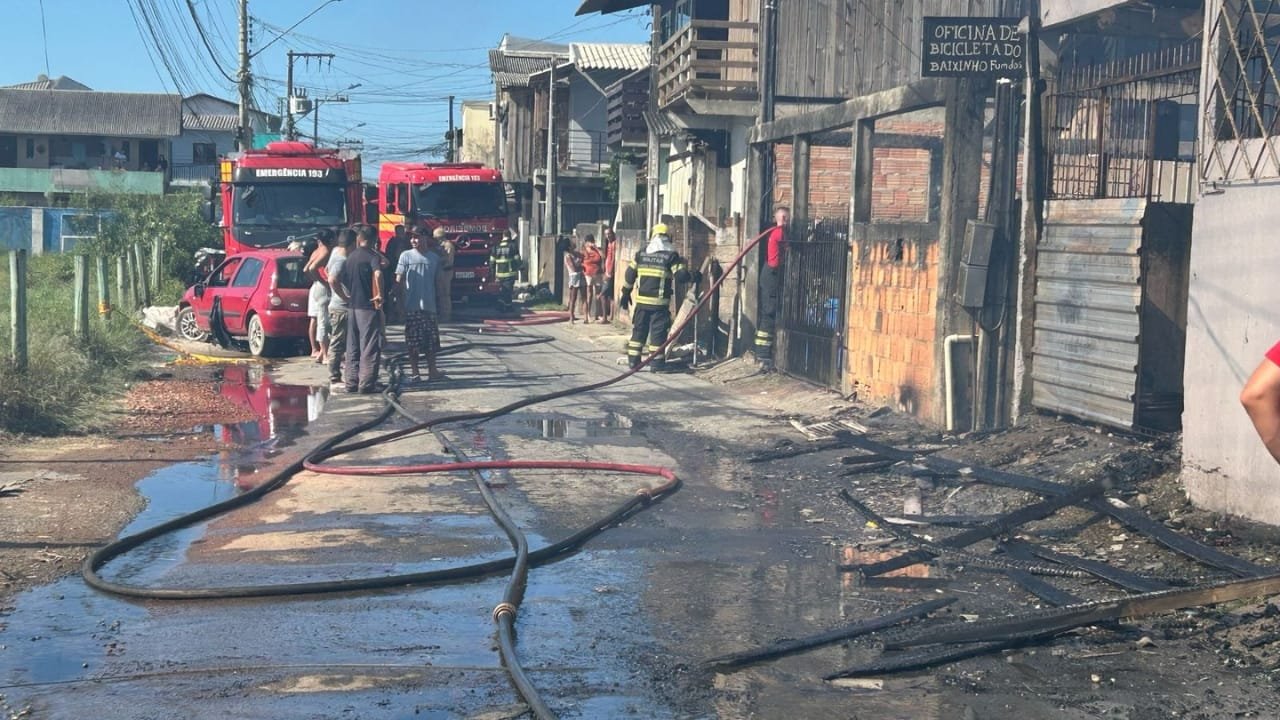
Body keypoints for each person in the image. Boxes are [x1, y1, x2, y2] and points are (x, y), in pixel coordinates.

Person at [619, 223, 694, 371]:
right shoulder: (670, 256)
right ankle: (657, 364)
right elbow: (681, 277)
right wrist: (693, 276)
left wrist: (625, 293)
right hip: (659, 305)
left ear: (652, 236)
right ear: (668, 237)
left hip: (641, 303)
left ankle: (633, 362)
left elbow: (630, 274)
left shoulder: (641, 254)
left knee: (639, 332)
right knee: (657, 334)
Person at [334, 224, 385, 394]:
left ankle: (351, 382)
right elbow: (378, 273)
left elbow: (337, 278)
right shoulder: (372, 256)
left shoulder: (350, 257)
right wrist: (379, 294)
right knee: (369, 345)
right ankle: (366, 384)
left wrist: (345, 296)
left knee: (352, 346)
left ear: (359, 238)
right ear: (374, 240)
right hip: (368, 307)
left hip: (352, 306)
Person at [396, 230, 445, 383]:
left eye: (416, 237)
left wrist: (442, 304)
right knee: (413, 342)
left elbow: (439, 282)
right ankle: (415, 372)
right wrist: (399, 304)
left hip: (430, 307)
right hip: (411, 307)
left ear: (425, 238)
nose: (413, 240)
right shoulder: (405, 256)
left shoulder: (434, 258)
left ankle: (432, 371)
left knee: (431, 341)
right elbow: (399, 280)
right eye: (411, 238)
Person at [755, 205, 790, 370]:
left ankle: (764, 354)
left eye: (787, 218)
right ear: (780, 218)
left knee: (768, 313)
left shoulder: (776, 232)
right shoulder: (779, 233)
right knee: (769, 313)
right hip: (771, 274)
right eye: (785, 218)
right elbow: (788, 250)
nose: (787, 221)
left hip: (769, 274)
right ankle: (763, 355)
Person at [325, 227, 354, 385]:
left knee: (341, 340)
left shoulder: (335, 251)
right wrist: (344, 296)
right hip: (341, 307)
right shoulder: (341, 259)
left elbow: (326, 270)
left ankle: (339, 372)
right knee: (338, 341)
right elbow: (332, 279)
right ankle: (334, 374)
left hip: (337, 305)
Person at [304, 229, 334, 363]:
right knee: (324, 322)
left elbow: (306, 269)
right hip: (323, 288)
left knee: (320, 319)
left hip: (317, 287)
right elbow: (311, 269)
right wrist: (323, 282)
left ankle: (321, 353)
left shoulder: (317, 251)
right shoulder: (326, 251)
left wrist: (316, 281)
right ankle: (325, 354)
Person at [490, 229, 522, 313]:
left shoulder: (496, 247)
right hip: (509, 274)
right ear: (509, 236)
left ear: (503, 236)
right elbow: (517, 259)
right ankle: (504, 306)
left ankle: (506, 306)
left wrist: (492, 275)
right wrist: (521, 267)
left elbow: (492, 262)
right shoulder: (513, 246)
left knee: (504, 290)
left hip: (499, 275)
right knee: (507, 291)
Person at [384, 225, 409, 324]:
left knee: (403, 295)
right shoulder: (393, 242)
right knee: (394, 295)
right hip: (395, 271)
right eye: (399, 231)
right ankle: (394, 316)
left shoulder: (407, 242)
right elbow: (389, 256)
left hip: (405, 272)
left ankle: (402, 316)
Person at [580, 233, 604, 324]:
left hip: (597, 273)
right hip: (588, 273)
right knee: (589, 293)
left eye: (591, 241)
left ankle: (597, 314)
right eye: (588, 242)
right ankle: (588, 314)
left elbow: (603, 256)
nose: (589, 243)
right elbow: (580, 261)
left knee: (598, 293)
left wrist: (596, 248)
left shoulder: (596, 250)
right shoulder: (584, 250)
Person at [434, 228, 456, 322]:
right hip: (440, 271)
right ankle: (442, 313)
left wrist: (437, 259)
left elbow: (448, 259)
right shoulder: (439, 246)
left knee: (444, 294)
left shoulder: (448, 245)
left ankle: (446, 315)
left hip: (445, 271)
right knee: (440, 294)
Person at [563, 238, 585, 323]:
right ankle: (571, 316)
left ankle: (586, 316)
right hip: (574, 277)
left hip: (580, 275)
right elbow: (574, 268)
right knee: (573, 297)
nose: (574, 243)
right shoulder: (568, 256)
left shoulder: (576, 253)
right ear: (569, 246)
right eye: (572, 243)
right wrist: (581, 265)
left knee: (584, 297)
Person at [600, 227, 617, 323]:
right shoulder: (609, 243)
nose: (607, 236)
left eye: (609, 234)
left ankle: (605, 317)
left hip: (609, 273)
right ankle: (610, 316)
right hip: (607, 270)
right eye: (606, 234)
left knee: (603, 295)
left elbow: (613, 258)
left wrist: (609, 272)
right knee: (610, 295)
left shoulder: (614, 244)